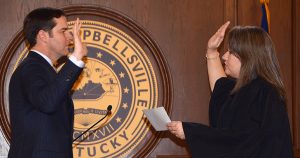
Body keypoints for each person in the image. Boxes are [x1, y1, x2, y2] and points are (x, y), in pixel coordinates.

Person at [167, 21, 293, 158]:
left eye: (231, 52)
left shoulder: (265, 92)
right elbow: (220, 89)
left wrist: (190, 132)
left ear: (247, 56)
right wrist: (211, 51)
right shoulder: (245, 88)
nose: (224, 56)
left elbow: (241, 143)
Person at [8, 7, 87, 158]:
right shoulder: (31, 67)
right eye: (62, 31)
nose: (69, 38)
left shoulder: (43, 69)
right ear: (43, 35)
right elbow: (47, 102)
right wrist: (76, 58)